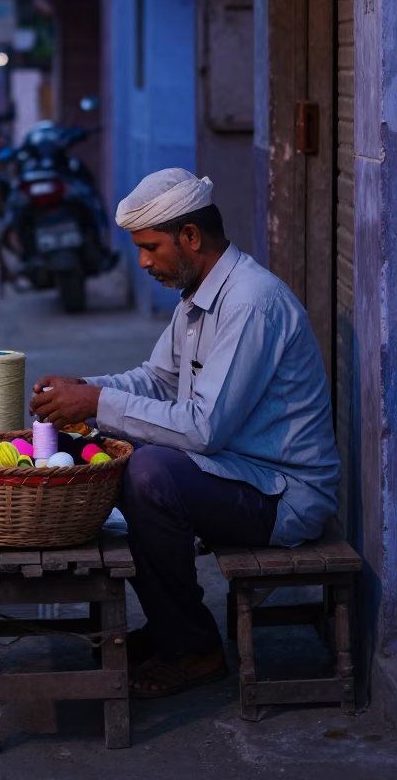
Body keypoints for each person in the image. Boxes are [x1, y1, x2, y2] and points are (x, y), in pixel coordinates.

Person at [30, 167, 340, 699]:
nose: (144, 262)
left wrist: (99, 403)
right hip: (238, 474)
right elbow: (156, 380)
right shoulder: (197, 300)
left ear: (190, 237)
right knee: (129, 453)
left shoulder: (250, 302)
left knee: (150, 472)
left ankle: (195, 648)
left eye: (151, 247)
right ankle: (173, 627)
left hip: (285, 495)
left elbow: (203, 427)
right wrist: (85, 389)